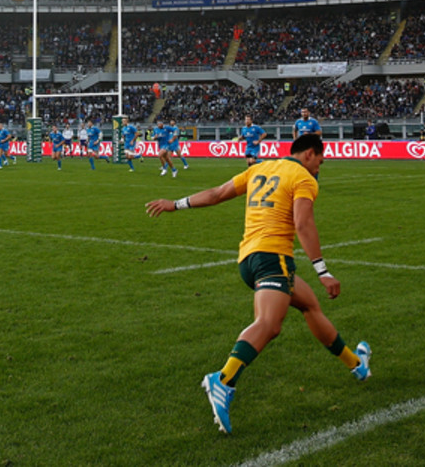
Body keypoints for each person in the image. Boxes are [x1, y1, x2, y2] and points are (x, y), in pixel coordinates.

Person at [144, 134, 370, 435]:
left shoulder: (259, 168)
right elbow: (303, 224)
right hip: (272, 258)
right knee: (269, 324)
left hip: (248, 259)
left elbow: (216, 194)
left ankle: (357, 364)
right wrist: (323, 271)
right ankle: (223, 380)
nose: (320, 166)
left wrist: (176, 204)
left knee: (309, 305)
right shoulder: (303, 178)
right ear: (308, 154)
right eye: (320, 160)